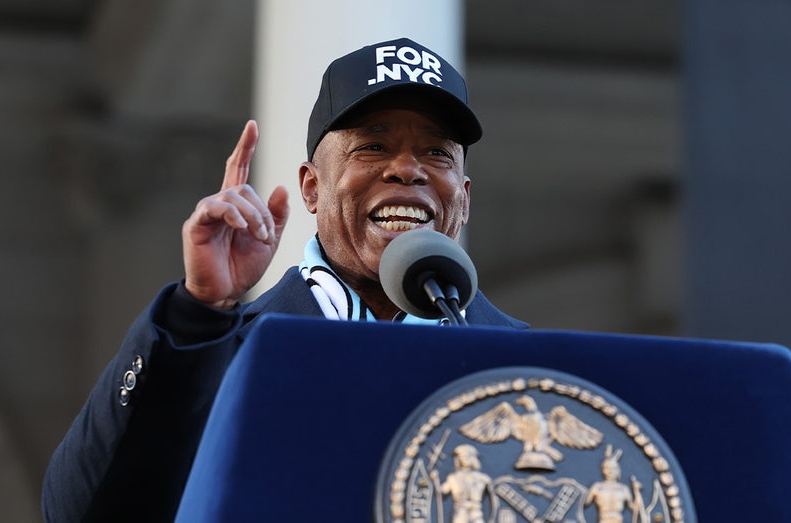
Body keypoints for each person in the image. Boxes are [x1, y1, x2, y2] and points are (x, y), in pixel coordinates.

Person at [41, 37, 527, 522]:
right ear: (311, 187)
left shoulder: (527, 365)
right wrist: (199, 313)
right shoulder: (217, 351)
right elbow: (81, 511)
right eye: (373, 146)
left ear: (463, 200)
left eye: (436, 152)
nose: (405, 169)